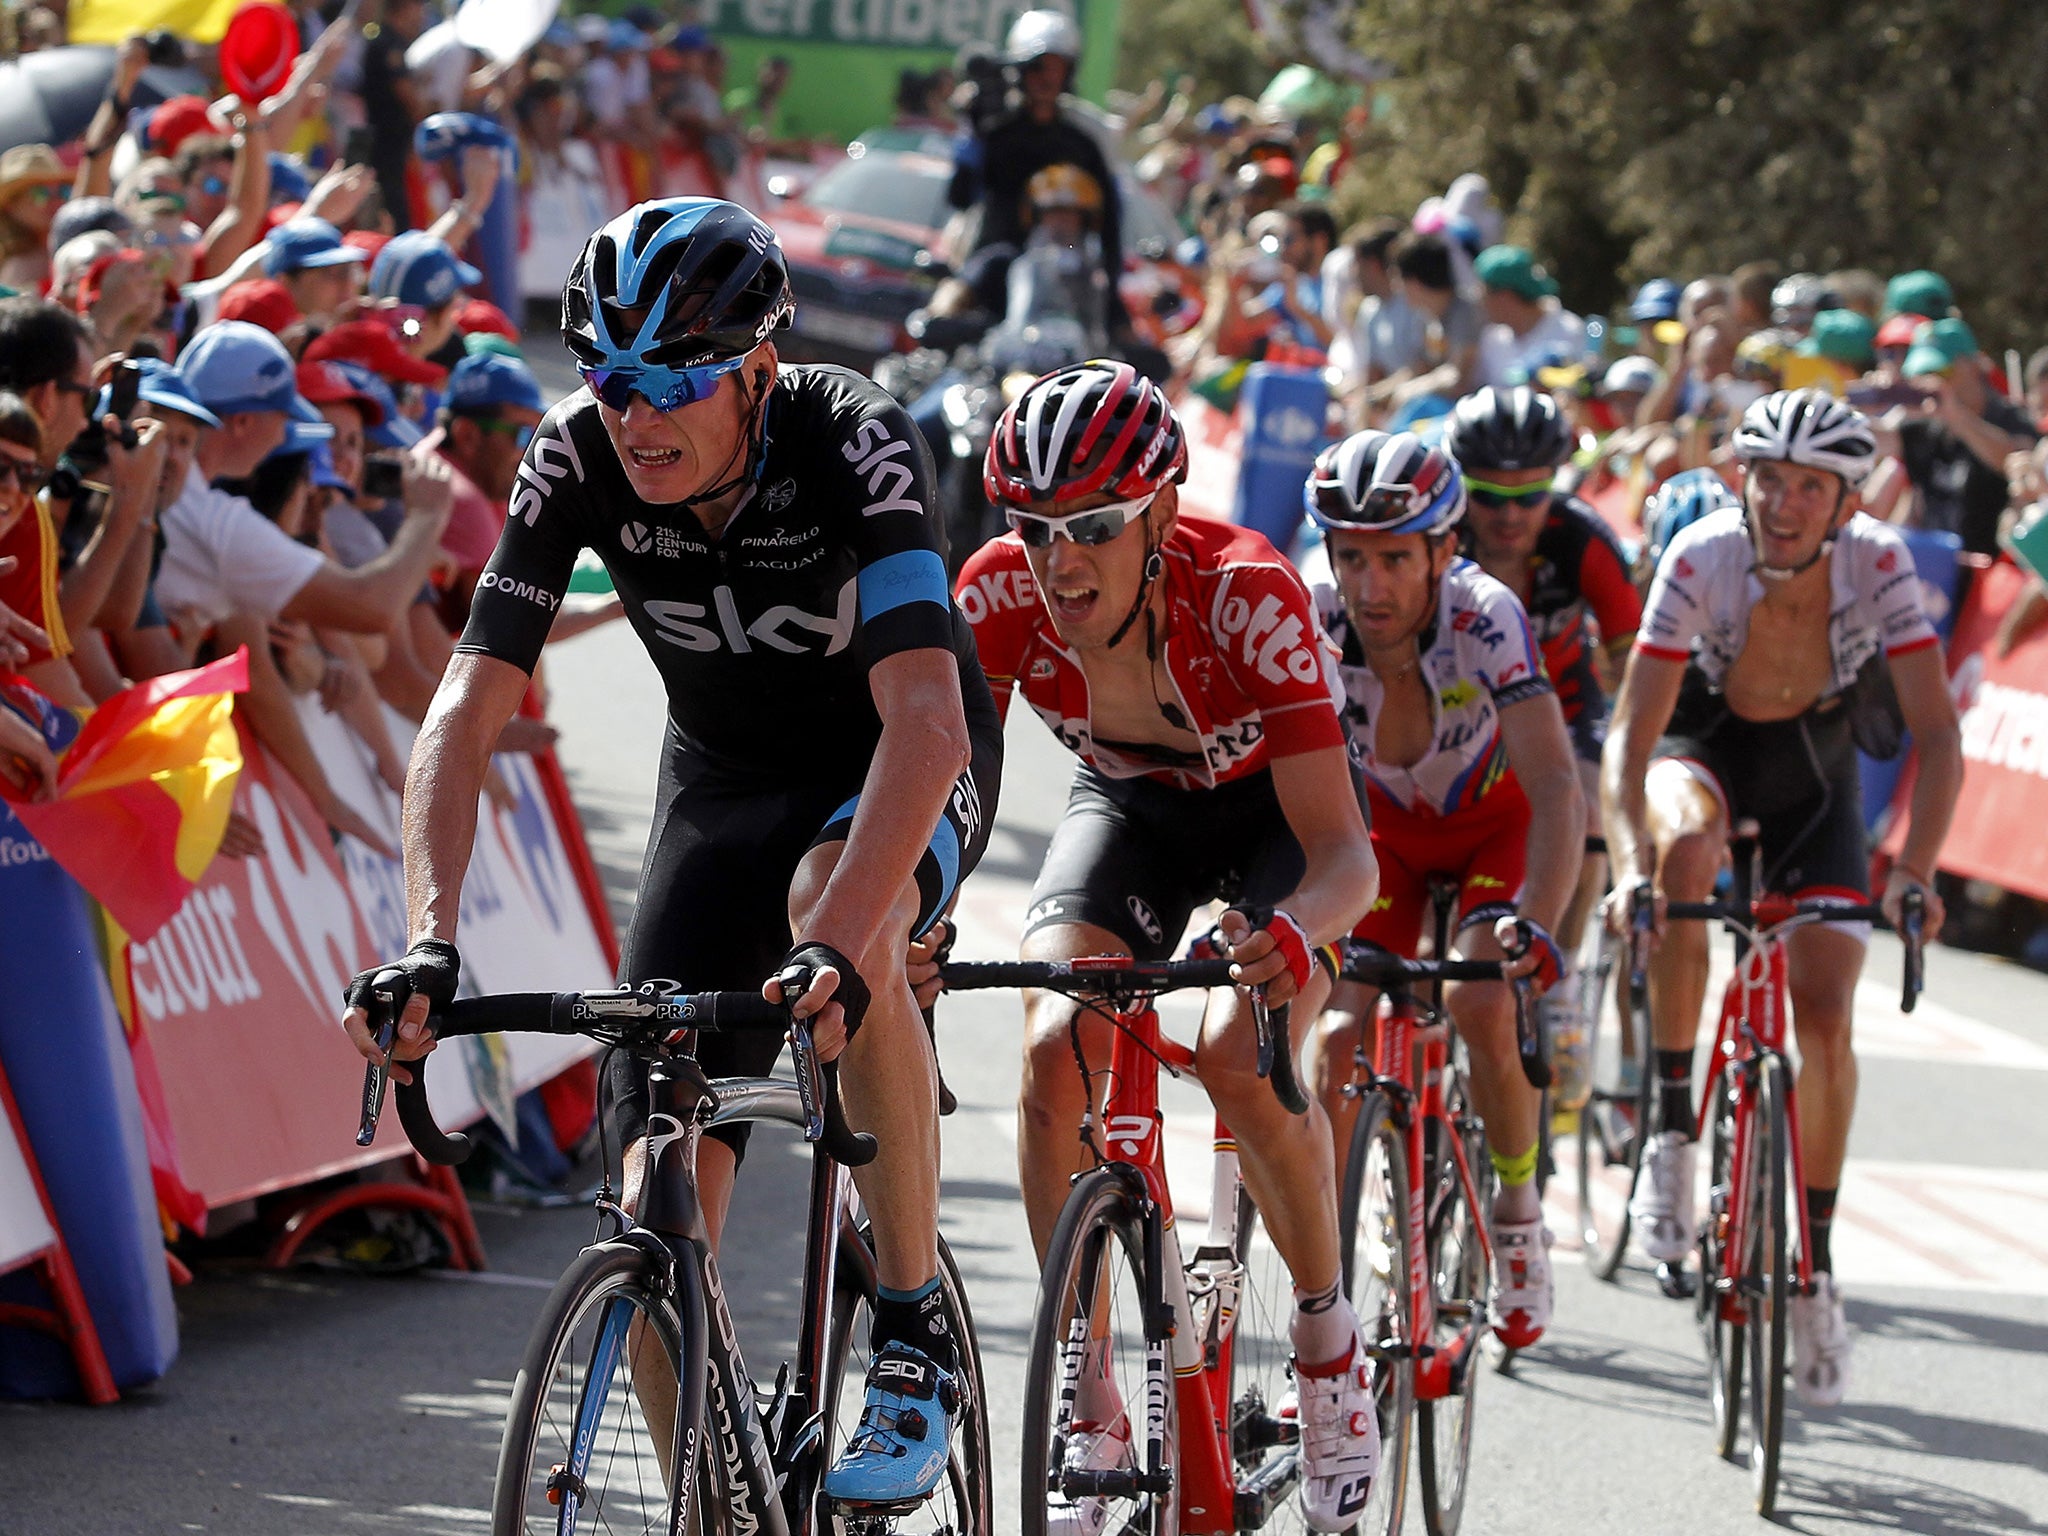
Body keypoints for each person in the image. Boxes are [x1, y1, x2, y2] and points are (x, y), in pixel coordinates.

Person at [339, 198, 1002, 1508]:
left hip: (897, 762)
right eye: (611, 377)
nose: (637, 416)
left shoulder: (846, 432)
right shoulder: (575, 454)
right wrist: (426, 933)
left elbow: (925, 718)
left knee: (834, 903)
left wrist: (841, 938)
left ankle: (914, 1324)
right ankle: (714, 1502)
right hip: (719, 785)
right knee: (652, 1203)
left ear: (757, 366)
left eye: (675, 381)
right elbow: (466, 711)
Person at [957, 359, 1382, 1530]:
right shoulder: (991, 596)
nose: (1058, 559)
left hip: (1271, 823)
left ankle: (1325, 1341)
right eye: (1033, 527)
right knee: (1053, 1053)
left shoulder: (1246, 590)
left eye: (1091, 525)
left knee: (1235, 1051)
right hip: (1129, 811)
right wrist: (905, 916)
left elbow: (1348, 856)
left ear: (1158, 512)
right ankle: (1090, 1394)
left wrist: (1293, 935)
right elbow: (950, 798)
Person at [1602, 388, 1964, 1407]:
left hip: (1814, 779)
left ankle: (1811, 1266)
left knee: (1824, 1005)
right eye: (1769, 479)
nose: (1785, 502)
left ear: (1844, 502)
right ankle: (1673, 1131)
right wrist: (1630, 860)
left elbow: (1936, 735)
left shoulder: (1879, 563)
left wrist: (1919, 871)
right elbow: (1631, 737)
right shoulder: (1699, 555)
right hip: (1702, 749)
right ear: (1740, 480)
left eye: (1810, 486)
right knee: (1681, 859)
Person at [1295, 428, 1582, 1354]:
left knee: (1477, 1000)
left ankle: (1516, 1205)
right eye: (1352, 559)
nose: (1370, 587)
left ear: (1442, 552)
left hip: (1496, 824)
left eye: (1393, 560)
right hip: (1386, 840)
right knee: (1338, 1035)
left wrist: (1535, 924)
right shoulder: (1312, 610)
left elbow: (1555, 788)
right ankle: (1326, 1271)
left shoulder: (1488, 615)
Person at [1446, 386, 1640, 1077]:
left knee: (1585, 815)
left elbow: (1633, 660)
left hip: (1560, 700)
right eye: (1488, 496)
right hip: (1456, 707)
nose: (1507, 515)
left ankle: (1556, 970)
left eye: (1528, 497)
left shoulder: (1583, 539)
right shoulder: (1435, 537)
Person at [948, 10, 1129, 336]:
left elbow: (1110, 223)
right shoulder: (996, 135)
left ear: (1069, 71)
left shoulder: (1083, 143)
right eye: (1036, 67)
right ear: (1019, 71)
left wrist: (1113, 301)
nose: (1046, 78)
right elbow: (959, 196)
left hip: (1067, 283)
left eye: (1056, 67)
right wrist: (970, 132)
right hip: (994, 279)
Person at [1473, 245, 1585, 390]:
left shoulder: (1570, 331)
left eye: (1484, 292)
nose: (1479, 300)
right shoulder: (1492, 338)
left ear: (1505, 296)